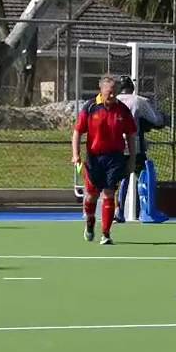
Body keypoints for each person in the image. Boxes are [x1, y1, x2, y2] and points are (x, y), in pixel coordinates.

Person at [72, 74, 137, 245]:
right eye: (110, 92)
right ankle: (90, 221)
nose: (113, 95)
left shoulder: (122, 110)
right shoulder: (90, 107)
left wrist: (131, 158)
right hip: (94, 158)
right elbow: (78, 131)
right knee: (92, 196)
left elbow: (130, 134)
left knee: (109, 194)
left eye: (115, 92)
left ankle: (106, 234)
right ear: (101, 90)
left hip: (114, 158)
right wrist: (76, 154)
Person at [115, 75, 165, 219]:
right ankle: (147, 211)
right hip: (134, 143)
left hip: (115, 144)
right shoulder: (138, 100)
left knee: (122, 178)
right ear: (132, 88)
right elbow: (156, 120)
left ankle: (119, 211)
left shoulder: (111, 102)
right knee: (144, 175)